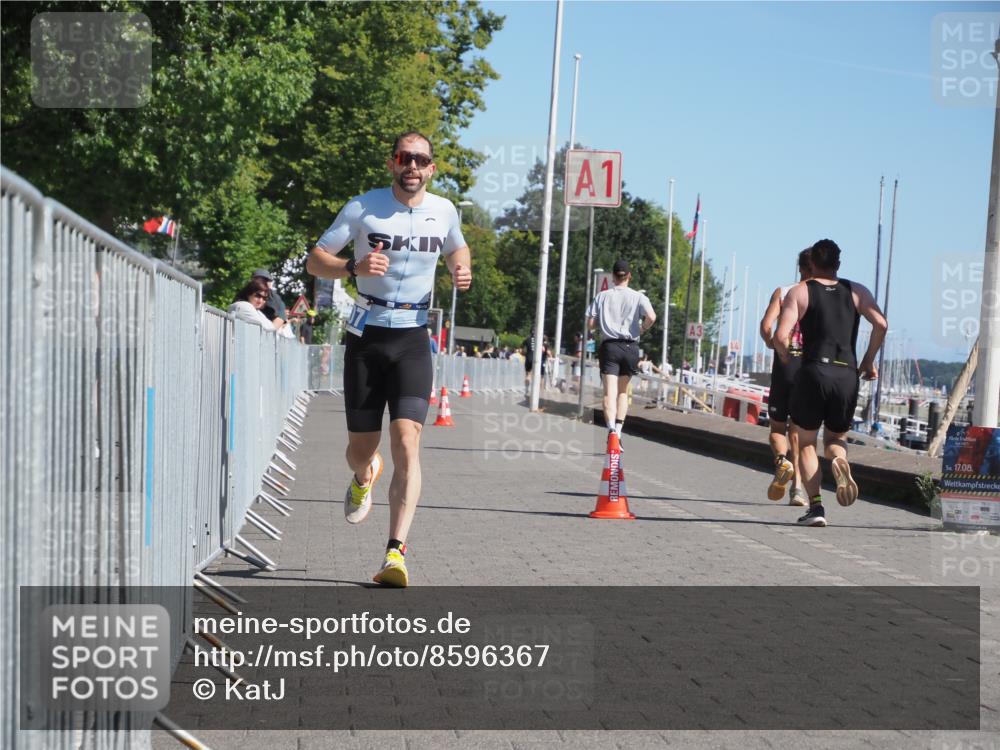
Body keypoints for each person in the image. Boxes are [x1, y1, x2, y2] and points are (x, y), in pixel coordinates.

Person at [305, 130, 472, 586]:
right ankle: (364, 474)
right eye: (404, 158)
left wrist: (463, 265)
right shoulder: (363, 207)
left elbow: (457, 244)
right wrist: (351, 268)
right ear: (392, 163)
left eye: (421, 160)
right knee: (362, 448)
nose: (412, 166)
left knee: (407, 440)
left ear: (432, 168)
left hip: (413, 338)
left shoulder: (444, 210)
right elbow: (315, 259)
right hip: (367, 336)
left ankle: (395, 553)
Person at [774, 239, 887, 528]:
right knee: (836, 439)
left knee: (807, 443)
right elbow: (881, 324)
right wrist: (869, 359)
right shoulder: (856, 291)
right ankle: (840, 461)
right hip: (846, 374)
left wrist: (786, 356)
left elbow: (780, 335)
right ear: (838, 263)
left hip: (814, 371)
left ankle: (816, 508)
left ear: (811, 264)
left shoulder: (801, 292)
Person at [759, 248, 813, 507]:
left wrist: (776, 347)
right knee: (802, 433)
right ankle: (798, 489)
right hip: (812, 366)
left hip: (787, 362)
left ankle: (782, 462)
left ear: (800, 267)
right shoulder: (825, 295)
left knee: (778, 427)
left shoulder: (782, 291)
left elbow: (766, 326)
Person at [587, 259, 656, 445]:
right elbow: (651, 317)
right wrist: (642, 328)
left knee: (609, 393)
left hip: (610, 347)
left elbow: (590, 324)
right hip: (631, 348)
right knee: (623, 392)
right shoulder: (639, 297)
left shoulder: (602, 296)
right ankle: (618, 431)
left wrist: (600, 325)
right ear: (629, 276)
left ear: (612, 277)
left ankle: (610, 432)